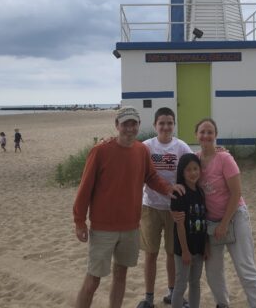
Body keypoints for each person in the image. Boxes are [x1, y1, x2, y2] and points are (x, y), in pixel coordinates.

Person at [73, 106, 184, 308]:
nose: (130, 128)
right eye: (125, 124)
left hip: (131, 227)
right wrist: (79, 221)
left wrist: (169, 188)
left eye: (134, 124)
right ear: (117, 126)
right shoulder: (100, 150)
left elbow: (150, 177)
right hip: (103, 228)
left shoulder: (142, 150)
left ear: (139, 125)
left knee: (121, 275)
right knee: (93, 280)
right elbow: (85, 187)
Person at [195, 118, 256, 308]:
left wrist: (224, 223)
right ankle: (222, 303)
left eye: (210, 132)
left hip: (234, 217)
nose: (206, 135)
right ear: (196, 135)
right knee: (213, 271)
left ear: (216, 135)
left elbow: (236, 193)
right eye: (202, 132)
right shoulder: (195, 159)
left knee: (245, 268)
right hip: (211, 223)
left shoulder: (225, 158)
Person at [137, 107, 192, 308]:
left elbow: (196, 165)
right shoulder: (146, 147)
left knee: (171, 254)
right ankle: (149, 298)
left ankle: (172, 293)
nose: (166, 127)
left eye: (170, 123)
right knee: (150, 254)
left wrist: (217, 150)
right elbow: (128, 156)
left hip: (174, 209)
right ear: (155, 125)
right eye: (162, 123)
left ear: (174, 124)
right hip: (150, 206)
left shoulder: (181, 147)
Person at [170, 153, 208, 308]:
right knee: (180, 285)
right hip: (183, 249)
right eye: (188, 170)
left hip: (199, 247)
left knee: (195, 283)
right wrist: (185, 251)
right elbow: (180, 225)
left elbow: (204, 220)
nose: (193, 173)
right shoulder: (179, 193)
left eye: (195, 168)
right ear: (182, 172)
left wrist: (206, 245)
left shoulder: (200, 192)